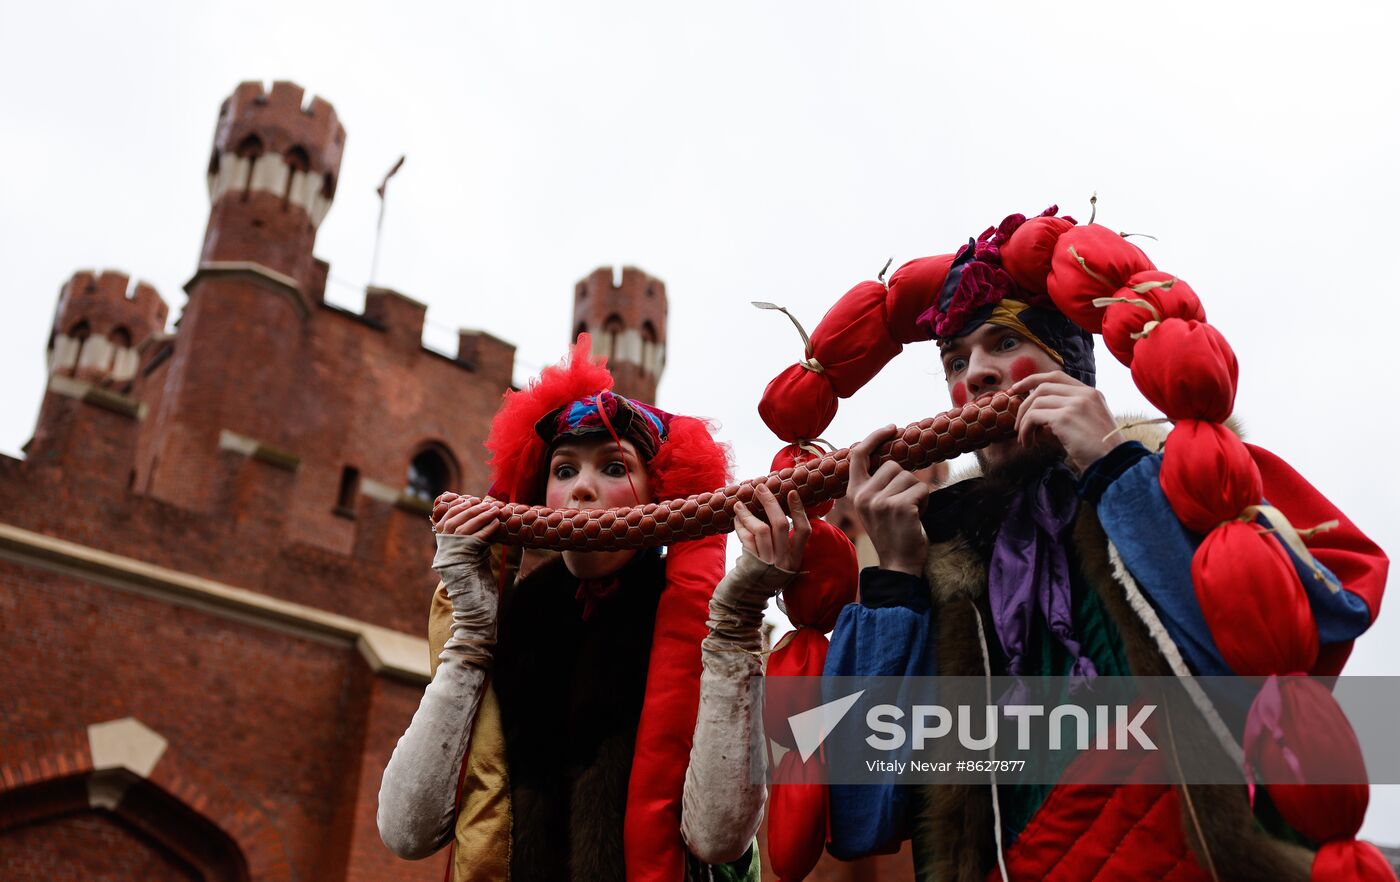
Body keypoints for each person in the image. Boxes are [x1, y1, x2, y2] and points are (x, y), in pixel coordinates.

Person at [760, 208, 1391, 880]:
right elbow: (863, 816)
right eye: (956, 358)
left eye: (1003, 344)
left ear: (1072, 366)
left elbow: (1261, 672)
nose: (974, 375)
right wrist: (897, 584)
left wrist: (1116, 469)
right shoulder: (949, 563)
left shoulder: (1183, 479)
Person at [377, 335, 809, 882]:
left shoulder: (703, 619)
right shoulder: (519, 613)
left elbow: (718, 836)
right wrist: (469, 635)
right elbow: (405, 830)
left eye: (613, 468)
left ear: (659, 499)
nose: (582, 489)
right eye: (563, 471)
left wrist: (738, 620)